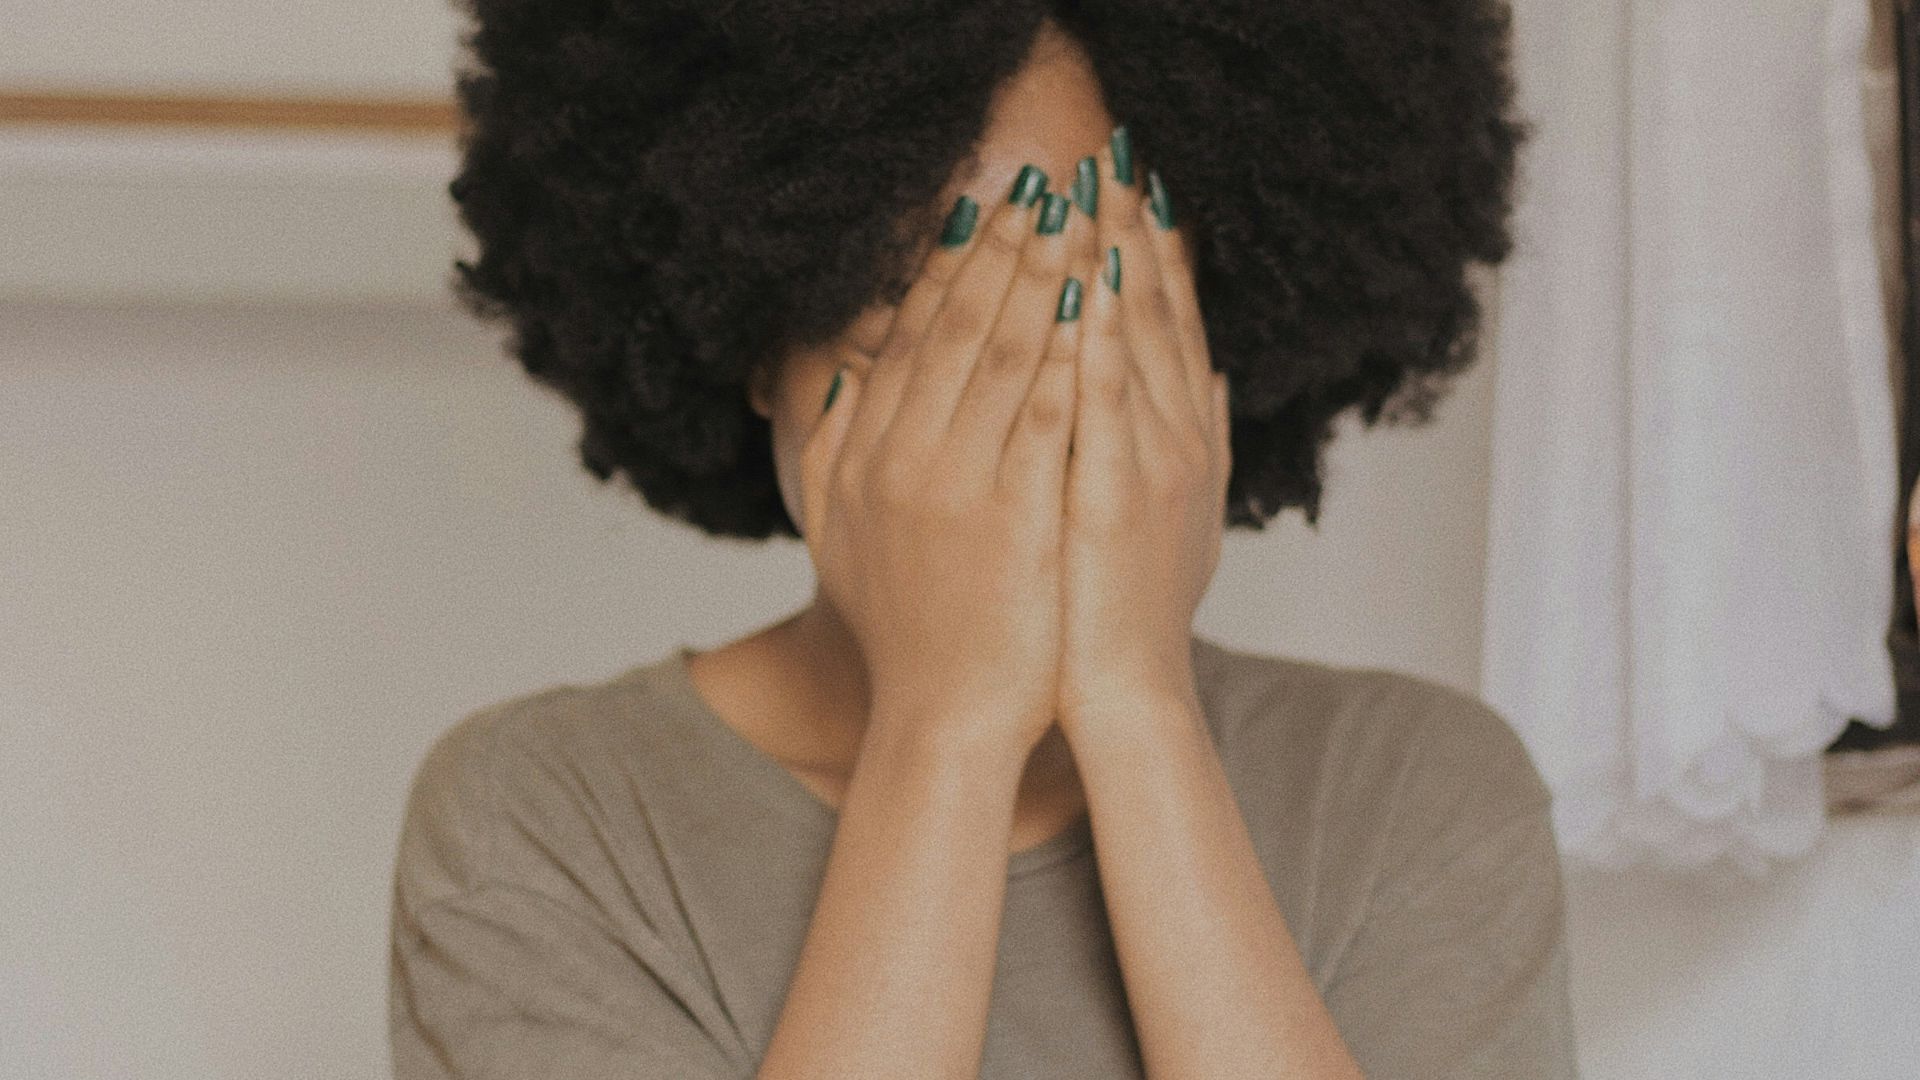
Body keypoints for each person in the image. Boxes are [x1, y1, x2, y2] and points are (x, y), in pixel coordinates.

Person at [390, 3, 1576, 1078]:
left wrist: (1139, 709)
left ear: (1206, 340)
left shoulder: (1415, 796)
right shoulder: (544, 818)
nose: (1001, 385)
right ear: (758, 329)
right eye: (915, 306)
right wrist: (944, 725)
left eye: (1079, 284)